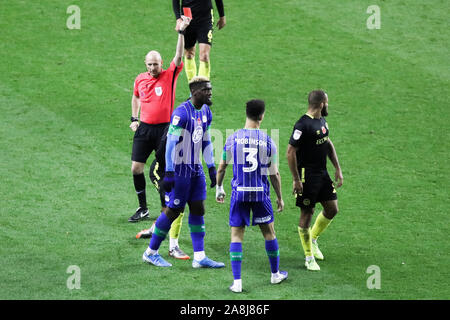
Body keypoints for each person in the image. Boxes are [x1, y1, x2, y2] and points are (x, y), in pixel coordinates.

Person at [142, 76, 224, 268]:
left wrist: (211, 167)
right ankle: (150, 252)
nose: (210, 93)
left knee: (198, 209)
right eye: (207, 90)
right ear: (195, 92)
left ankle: (199, 257)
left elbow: (205, 140)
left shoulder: (205, 111)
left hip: (195, 169)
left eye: (210, 89)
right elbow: (171, 143)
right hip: (179, 170)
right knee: (173, 211)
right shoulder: (182, 113)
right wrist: (169, 172)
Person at [216, 99, 288, 293]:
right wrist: (280, 197)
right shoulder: (268, 142)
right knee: (269, 233)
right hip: (260, 195)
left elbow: (222, 166)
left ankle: (237, 282)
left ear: (246, 113)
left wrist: (219, 187)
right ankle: (275, 275)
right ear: (262, 116)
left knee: (236, 235)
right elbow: (274, 173)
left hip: (239, 194)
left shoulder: (233, 139)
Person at [128, 15, 191, 223]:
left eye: (155, 65)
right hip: (144, 128)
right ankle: (143, 208)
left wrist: (181, 33)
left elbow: (179, 56)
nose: (152, 68)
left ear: (161, 64)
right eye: (149, 65)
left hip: (165, 129)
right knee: (136, 168)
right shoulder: (140, 79)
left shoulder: (169, 75)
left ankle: (166, 208)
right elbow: (136, 96)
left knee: (162, 170)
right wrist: (134, 118)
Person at [286, 90, 343, 271]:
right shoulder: (302, 125)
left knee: (332, 208)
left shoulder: (321, 121)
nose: (328, 105)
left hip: (322, 173)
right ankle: (309, 257)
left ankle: (314, 239)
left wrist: (337, 168)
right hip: (306, 175)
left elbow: (327, 142)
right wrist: (296, 179)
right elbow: (290, 152)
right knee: (307, 213)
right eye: (327, 103)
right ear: (320, 104)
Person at [135, 135, 190, 260]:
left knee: (174, 207)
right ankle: (173, 247)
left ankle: (156, 228)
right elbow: (160, 155)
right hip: (162, 172)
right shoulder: (176, 125)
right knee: (174, 206)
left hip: (180, 172)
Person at [172, 0, 226, 82]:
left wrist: (222, 15)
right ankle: (193, 87)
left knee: (204, 55)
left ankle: (203, 88)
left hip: (205, 18)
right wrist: (178, 19)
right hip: (187, 17)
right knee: (189, 54)